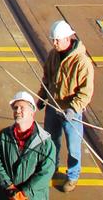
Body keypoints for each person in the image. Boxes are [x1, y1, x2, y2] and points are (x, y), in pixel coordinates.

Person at [37, 19, 94, 192]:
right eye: (52, 40)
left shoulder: (82, 63)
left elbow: (86, 91)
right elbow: (47, 77)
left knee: (74, 147)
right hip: (54, 106)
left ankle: (72, 176)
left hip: (71, 112)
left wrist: (74, 108)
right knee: (51, 140)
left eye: (57, 40)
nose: (54, 43)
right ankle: (51, 166)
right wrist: (41, 97)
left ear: (67, 39)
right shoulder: (53, 55)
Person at [0, 90, 57, 200]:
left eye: (22, 107)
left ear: (32, 112)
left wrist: (24, 194)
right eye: (15, 108)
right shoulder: (4, 136)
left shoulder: (45, 143)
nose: (17, 111)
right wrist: (8, 186)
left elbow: (46, 172)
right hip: (8, 195)